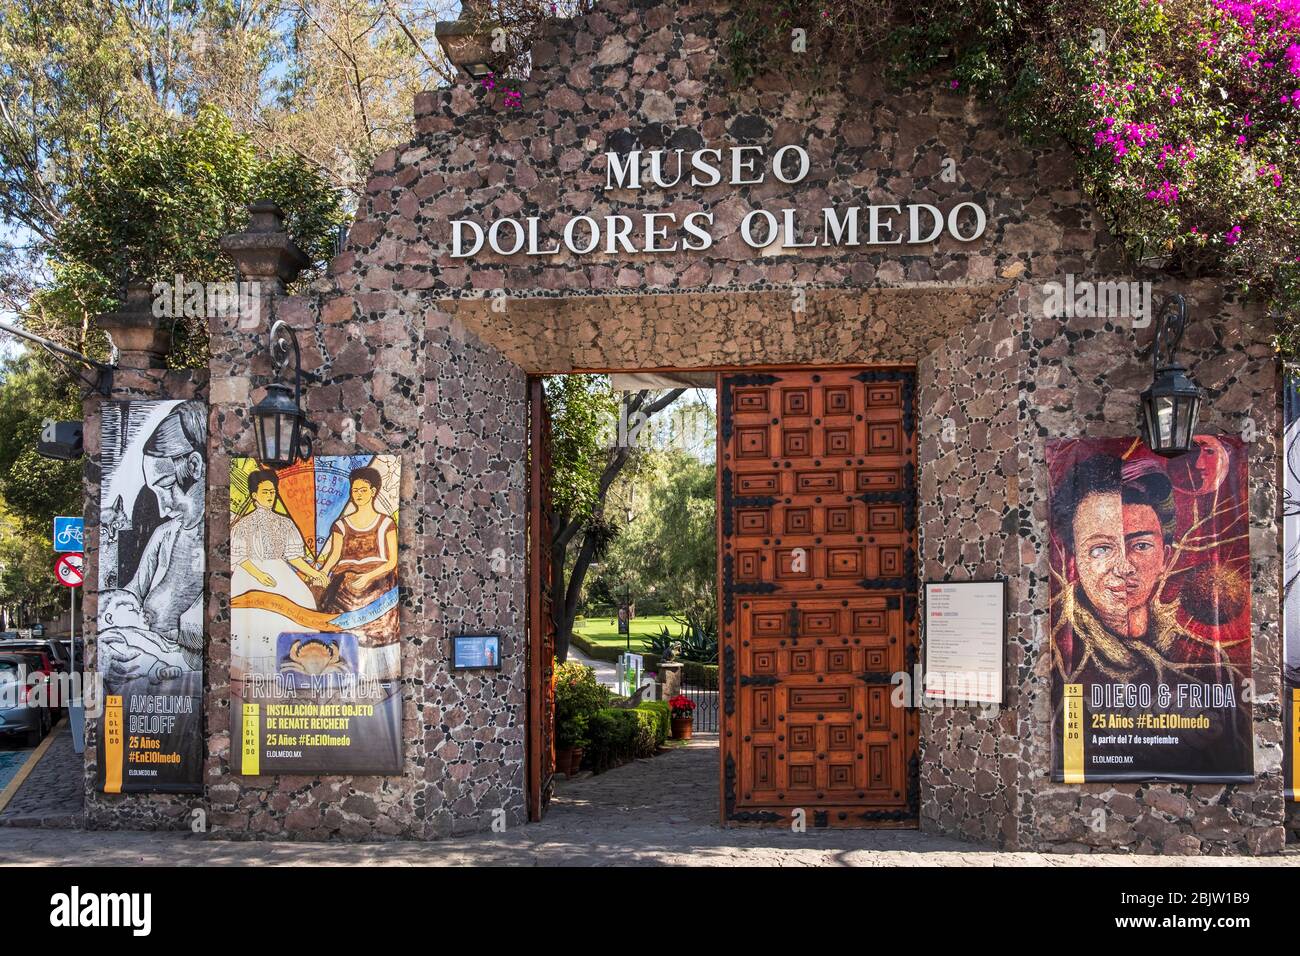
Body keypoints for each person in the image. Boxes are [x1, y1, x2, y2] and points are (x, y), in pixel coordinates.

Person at [120, 402, 207, 674]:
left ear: (194, 465)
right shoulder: (164, 535)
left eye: (166, 487)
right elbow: (129, 598)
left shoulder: (225, 541)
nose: (163, 509)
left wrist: (173, 635)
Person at [318, 467, 399, 646]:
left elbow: (392, 561)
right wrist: (322, 572)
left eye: (363, 490)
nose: (358, 494)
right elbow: (334, 556)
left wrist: (368, 576)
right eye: (355, 490)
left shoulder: (386, 524)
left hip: (378, 578)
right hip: (345, 579)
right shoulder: (341, 524)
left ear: (372, 492)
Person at [232, 469, 329, 590]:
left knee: (304, 598)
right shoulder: (243, 525)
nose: (269, 496)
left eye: (272, 492)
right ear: (254, 495)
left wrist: (316, 574)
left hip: (281, 573)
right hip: (250, 576)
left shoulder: (285, 523)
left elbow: (293, 557)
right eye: (265, 492)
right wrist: (259, 576)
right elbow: (239, 557)